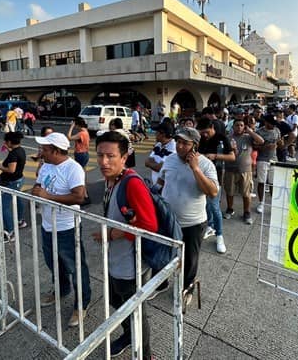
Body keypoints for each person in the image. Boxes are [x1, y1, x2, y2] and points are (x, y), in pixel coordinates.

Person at [93, 131, 158, 357]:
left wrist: (111, 234)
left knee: (135, 312)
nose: (103, 161)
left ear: (124, 157)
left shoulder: (132, 183)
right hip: (115, 260)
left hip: (131, 265)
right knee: (117, 301)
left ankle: (146, 354)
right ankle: (130, 336)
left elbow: (150, 225)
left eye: (110, 156)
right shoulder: (111, 180)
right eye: (100, 155)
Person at [32, 132, 91, 328]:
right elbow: (39, 185)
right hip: (47, 224)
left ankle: (81, 304)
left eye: (45, 150)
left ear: (57, 151)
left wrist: (47, 196)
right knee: (53, 263)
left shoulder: (73, 168)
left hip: (67, 227)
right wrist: (37, 190)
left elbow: (79, 197)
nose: (41, 152)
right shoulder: (46, 166)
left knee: (75, 267)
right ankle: (62, 290)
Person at [157, 127, 218, 306]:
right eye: (179, 142)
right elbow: (162, 180)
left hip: (193, 222)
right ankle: (161, 283)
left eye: (185, 143)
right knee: (163, 253)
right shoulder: (169, 159)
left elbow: (213, 192)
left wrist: (195, 169)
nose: (180, 146)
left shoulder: (205, 164)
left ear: (195, 146)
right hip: (168, 218)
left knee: (190, 259)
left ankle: (187, 288)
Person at [195, 117, 235, 254]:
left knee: (214, 206)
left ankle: (219, 235)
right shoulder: (201, 139)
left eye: (206, 132)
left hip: (216, 177)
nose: (204, 135)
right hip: (200, 176)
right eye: (202, 133)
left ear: (212, 127)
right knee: (205, 205)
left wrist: (215, 156)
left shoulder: (222, 138)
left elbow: (232, 157)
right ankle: (210, 226)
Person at [224, 119, 264, 224]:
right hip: (230, 169)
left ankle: (247, 212)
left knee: (246, 193)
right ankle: (230, 209)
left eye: (241, 125)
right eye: (237, 125)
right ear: (233, 127)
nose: (239, 127)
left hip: (245, 170)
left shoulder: (248, 138)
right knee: (229, 191)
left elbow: (261, 141)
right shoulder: (228, 138)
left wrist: (250, 131)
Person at [0, 131, 27, 240]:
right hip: (18, 179)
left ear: (10, 142)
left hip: (11, 181)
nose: (5, 143)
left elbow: (11, 170)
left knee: (3, 207)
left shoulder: (13, 154)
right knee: (18, 199)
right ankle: (20, 221)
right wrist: (8, 149)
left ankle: (10, 231)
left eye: (6, 141)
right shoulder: (20, 150)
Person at [255, 115, 281, 213]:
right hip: (262, 159)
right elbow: (255, 146)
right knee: (261, 182)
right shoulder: (259, 132)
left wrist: (281, 143)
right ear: (266, 122)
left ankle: (273, 203)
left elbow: (279, 143)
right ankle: (261, 203)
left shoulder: (277, 130)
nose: (274, 126)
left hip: (274, 159)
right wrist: (266, 147)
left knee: (273, 183)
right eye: (271, 124)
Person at [67, 117, 91, 205]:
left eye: (75, 125)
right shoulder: (86, 132)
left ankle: (83, 196)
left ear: (77, 124)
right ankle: (85, 195)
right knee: (83, 175)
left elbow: (69, 137)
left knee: (79, 177)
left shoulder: (81, 133)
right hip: (85, 154)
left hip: (80, 155)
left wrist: (71, 127)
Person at [144, 121, 176, 186]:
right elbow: (146, 162)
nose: (155, 134)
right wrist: (155, 165)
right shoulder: (158, 144)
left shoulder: (173, 148)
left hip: (165, 187)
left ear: (163, 134)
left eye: (157, 132)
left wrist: (152, 164)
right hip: (155, 185)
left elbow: (161, 168)